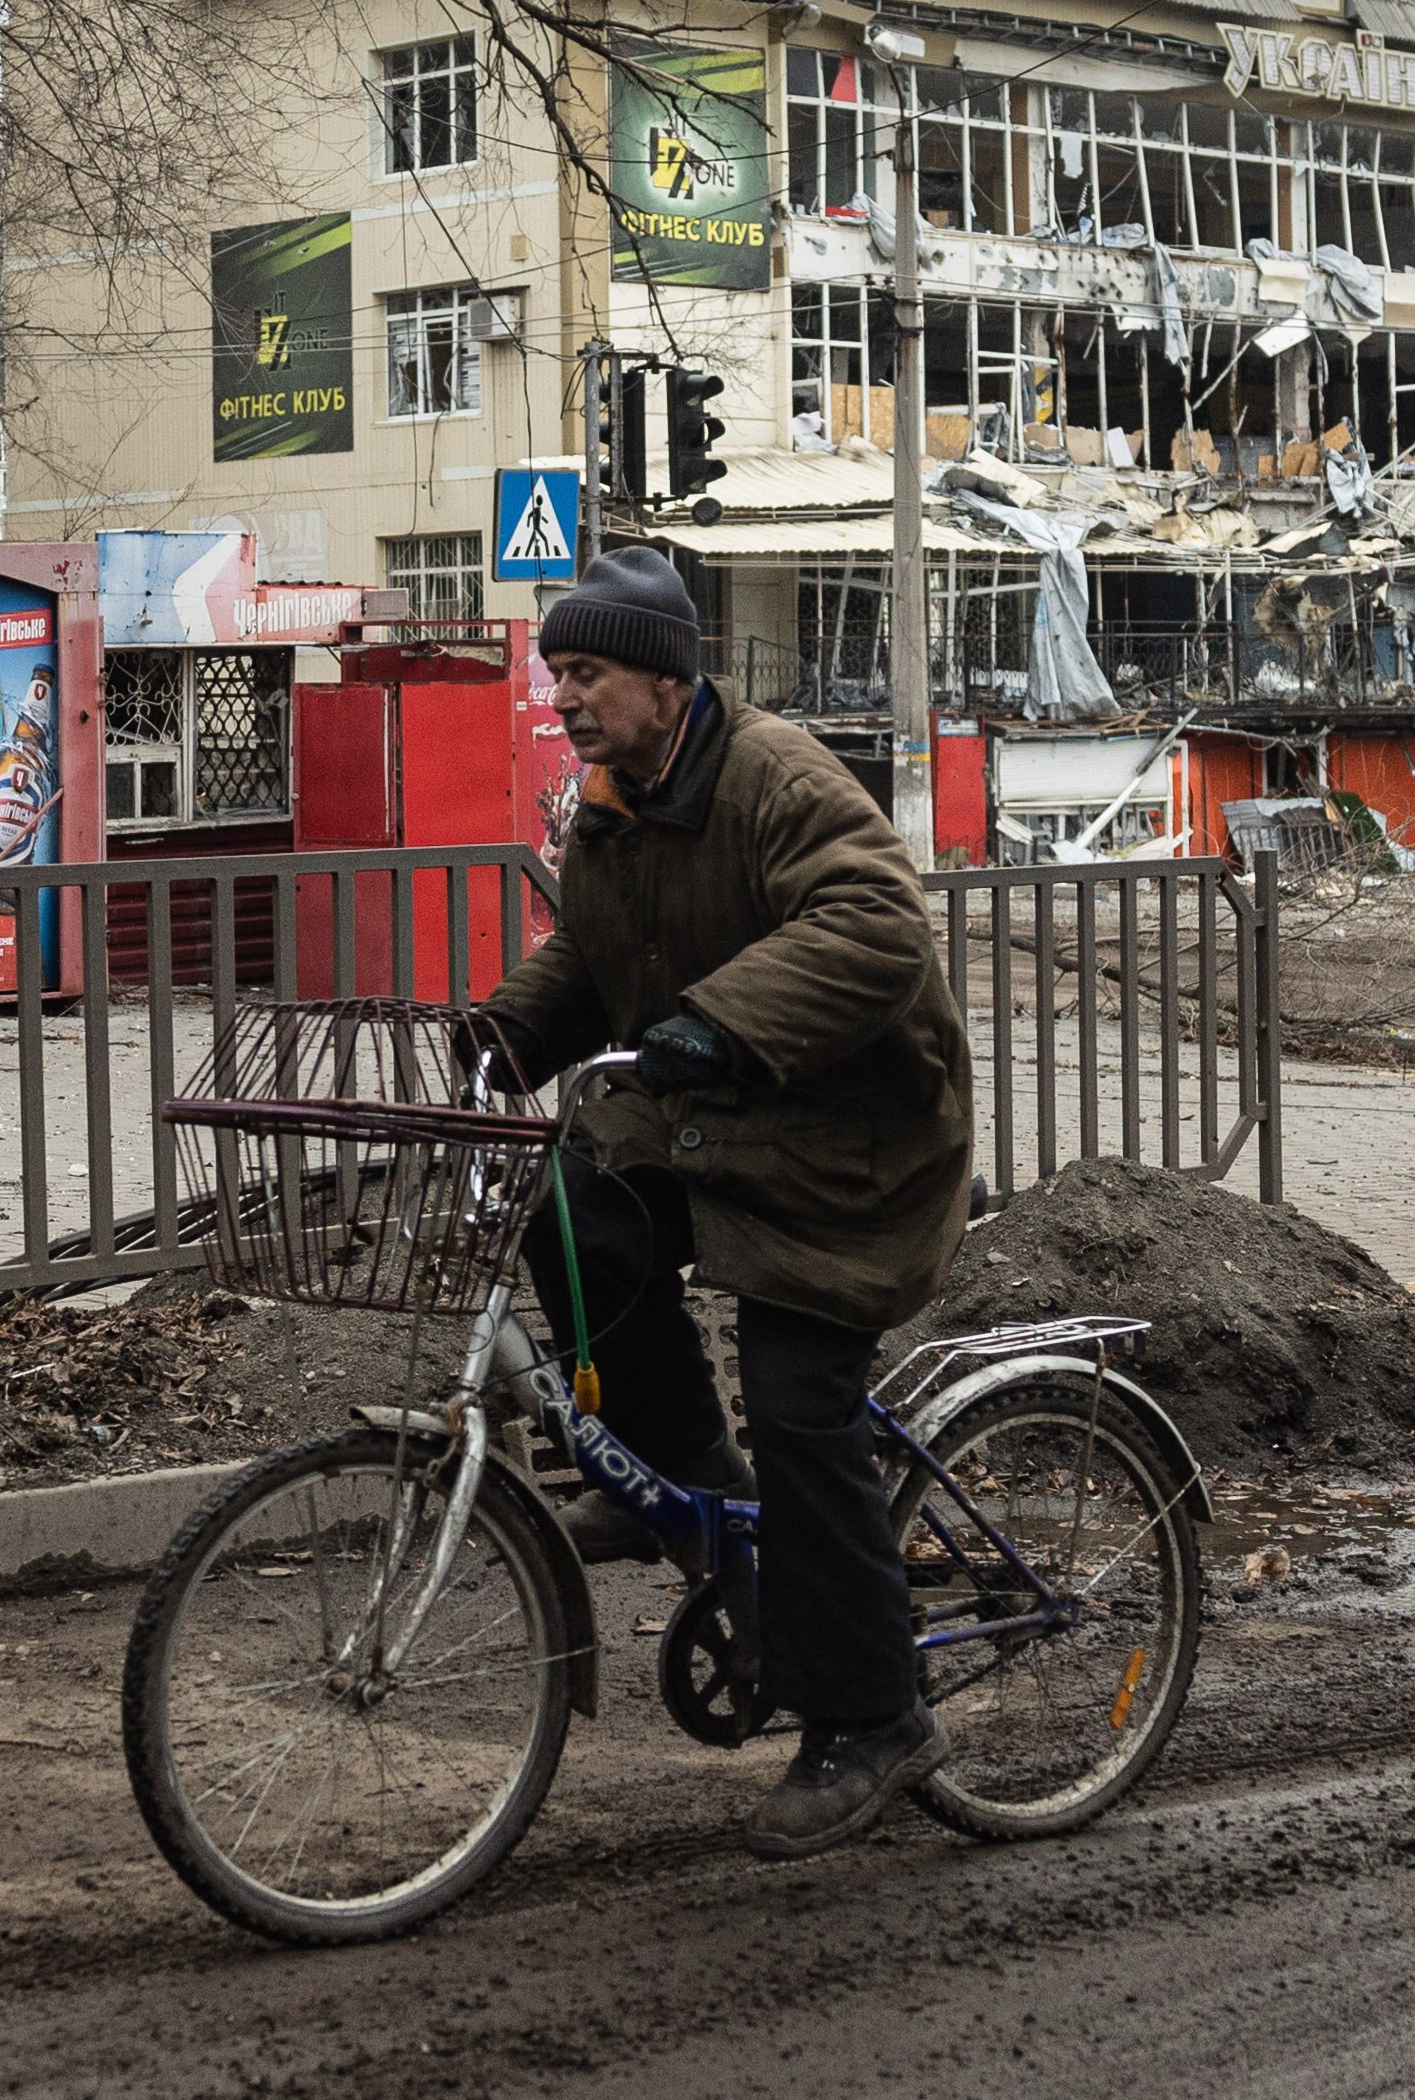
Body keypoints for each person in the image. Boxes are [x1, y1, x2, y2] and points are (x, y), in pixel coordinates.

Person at [474, 545, 977, 1862]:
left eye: (584, 671)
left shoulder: (775, 776)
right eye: (557, 674)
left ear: (660, 673)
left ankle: (874, 1717)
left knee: (798, 1396)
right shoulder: (614, 800)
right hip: (725, 1123)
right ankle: (677, 1470)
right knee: (573, 1194)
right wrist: (503, 1037)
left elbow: (877, 924)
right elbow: (592, 950)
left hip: (852, 1146)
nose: (565, 696)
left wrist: (714, 1022)